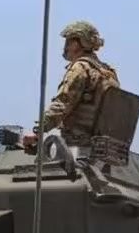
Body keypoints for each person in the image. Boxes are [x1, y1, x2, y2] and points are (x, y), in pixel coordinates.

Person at [23, 21, 119, 151]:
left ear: (77, 43)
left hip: (79, 144)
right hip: (105, 147)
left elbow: (63, 103)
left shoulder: (80, 68)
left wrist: (38, 131)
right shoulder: (109, 73)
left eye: (68, 41)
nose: (65, 46)